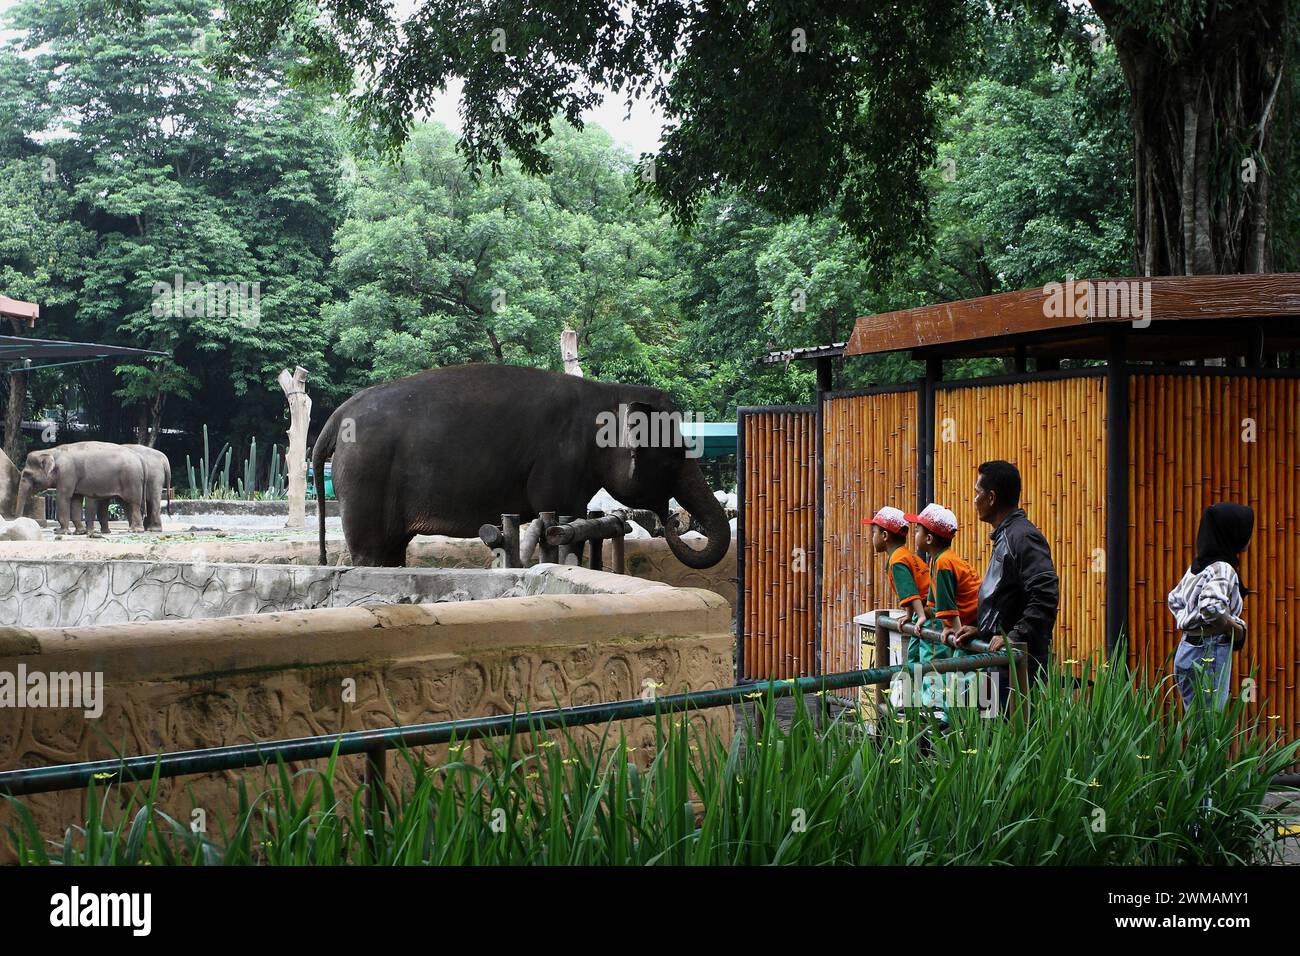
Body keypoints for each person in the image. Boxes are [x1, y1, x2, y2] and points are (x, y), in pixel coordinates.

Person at [953, 460, 1059, 709]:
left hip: (1016, 665)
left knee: (1004, 736)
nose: (974, 500)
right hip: (1000, 660)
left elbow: (1045, 593)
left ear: (991, 498)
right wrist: (982, 628)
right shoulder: (1007, 535)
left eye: (977, 493)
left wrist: (1016, 636)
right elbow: (1009, 597)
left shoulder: (1022, 536)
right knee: (984, 734)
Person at [1168, 502, 1253, 712]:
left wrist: (1192, 624)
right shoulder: (1223, 568)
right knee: (1209, 727)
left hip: (1187, 649)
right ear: (1232, 532)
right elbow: (1211, 607)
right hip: (1209, 651)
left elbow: (1174, 599)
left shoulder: (1198, 567)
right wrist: (1235, 628)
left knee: (1196, 724)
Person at [907, 504, 980, 714]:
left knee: (956, 672)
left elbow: (947, 604)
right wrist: (925, 618)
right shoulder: (940, 559)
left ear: (929, 539)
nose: (916, 533)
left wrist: (955, 631)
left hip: (971, 621)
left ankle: (949, 719)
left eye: (918, 529)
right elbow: (935, 602)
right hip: (967, 619)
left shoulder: (944, 563)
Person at [868, 505, 928, 626]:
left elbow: (911, 593)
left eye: (874, 532)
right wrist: (909, 615)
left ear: (884, 535)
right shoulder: (903, 554)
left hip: (929, 612)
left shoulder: (897, 561)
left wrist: (921, 616)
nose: (872, 537)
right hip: (925, 608)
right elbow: (910, 592)